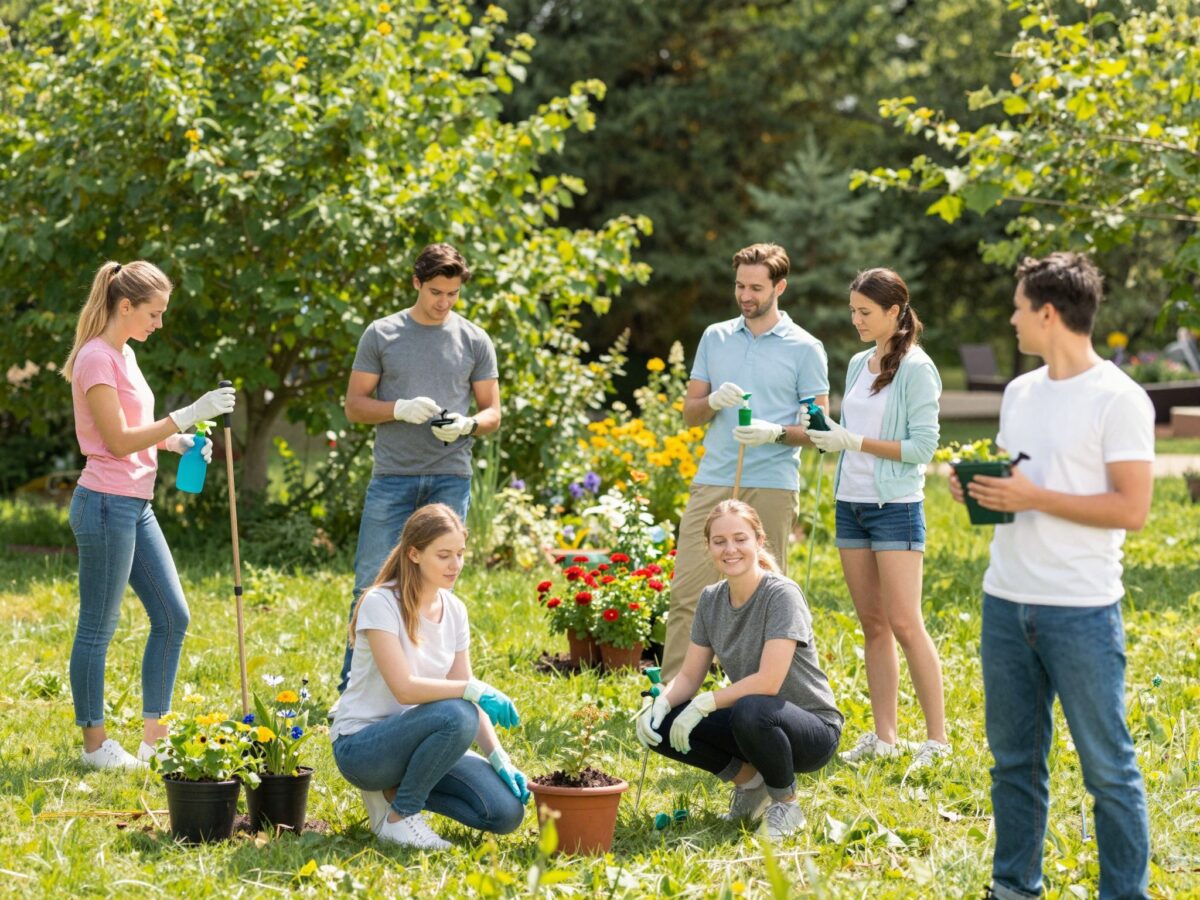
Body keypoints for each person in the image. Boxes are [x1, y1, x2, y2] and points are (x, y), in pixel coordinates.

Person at [951, 253, 1153, 899]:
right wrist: (985, 493)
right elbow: (1026, 481)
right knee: (1013, 766)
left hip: (1082, 612)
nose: (1010, 318)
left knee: (1108, 771)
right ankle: (1013, 888)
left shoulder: (1119, 399)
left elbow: (1133, 509)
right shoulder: (1019, 392)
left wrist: (1034, 498)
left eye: (1017, 307)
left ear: (1047, 312)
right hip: (1005, 604)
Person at [63, 261, 237, 769]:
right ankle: (95, 747)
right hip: (103, 505)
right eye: (154, 313)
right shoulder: (96, 359)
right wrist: (187, 414)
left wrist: (179, 441)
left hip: (135, 504)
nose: (159, 323)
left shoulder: (126, 355)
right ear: (125, 306)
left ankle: (153, 739)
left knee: (172, 616)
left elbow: (135, 430)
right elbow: (114, 442)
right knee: (98, 625)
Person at [661, 243, 828, 680]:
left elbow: (819, 430)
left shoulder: (805, 348)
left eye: (756, 287)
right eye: (740, 286)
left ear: (780, 287)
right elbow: (690, 412)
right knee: (687, 592)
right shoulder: (715, 337)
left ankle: (757, 697)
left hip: (772, 483)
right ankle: (672, 700)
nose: (746, 295)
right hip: (714, 477)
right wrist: (713, 400)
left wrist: (774, 432)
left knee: (768, 600)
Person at [339, 243, 500, 692]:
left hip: (450, 476)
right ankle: (353, 688)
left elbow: (493, 413)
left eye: (451, 293)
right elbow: (354, 406)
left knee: (440, 588)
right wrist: (398, 409)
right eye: (434, 291)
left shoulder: (474, 339)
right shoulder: (382, 334)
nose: (443, 302)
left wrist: (468, 424)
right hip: (393, 476)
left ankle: (430, 684)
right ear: (416, 283)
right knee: (371, 584)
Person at [806, 269, 949, 771]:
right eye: (853, 311)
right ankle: (885, 737)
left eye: (865, 312)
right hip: (852, 503)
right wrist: (828, 433)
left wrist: (854, 441)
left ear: (895, 312)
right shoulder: (857, 364)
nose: (856, 320)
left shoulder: (917, 368)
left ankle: (937, 741)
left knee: (906, 623)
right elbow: (851, 431)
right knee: (872, 625)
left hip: (896, 508)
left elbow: (923, 448)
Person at [636, 500, 842, 841]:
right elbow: (689, 676)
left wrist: (705, 703)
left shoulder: (781, 595)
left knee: (750, 707)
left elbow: (769, 681)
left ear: (759, 541)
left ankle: (786, 805)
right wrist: (661, 703)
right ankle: (751, 786)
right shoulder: (710, 599)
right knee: (665, 722)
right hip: (755, 722)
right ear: (709, 547)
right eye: (720, 541)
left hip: (811, 729)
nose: (730, 549)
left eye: (740, 538)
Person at [331, 504, 527, 850]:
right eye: (444, 555)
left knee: (505, 812)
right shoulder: (381, 602)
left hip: (422, 742)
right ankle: (400, 816)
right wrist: (472, 690)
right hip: (363, 748)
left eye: (461, 554)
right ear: (414, 554)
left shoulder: (454, 609)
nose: (456, 565)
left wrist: (500, 758)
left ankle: (396, 792)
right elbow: (405, 689)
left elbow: (465, 684)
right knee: (457, 711)